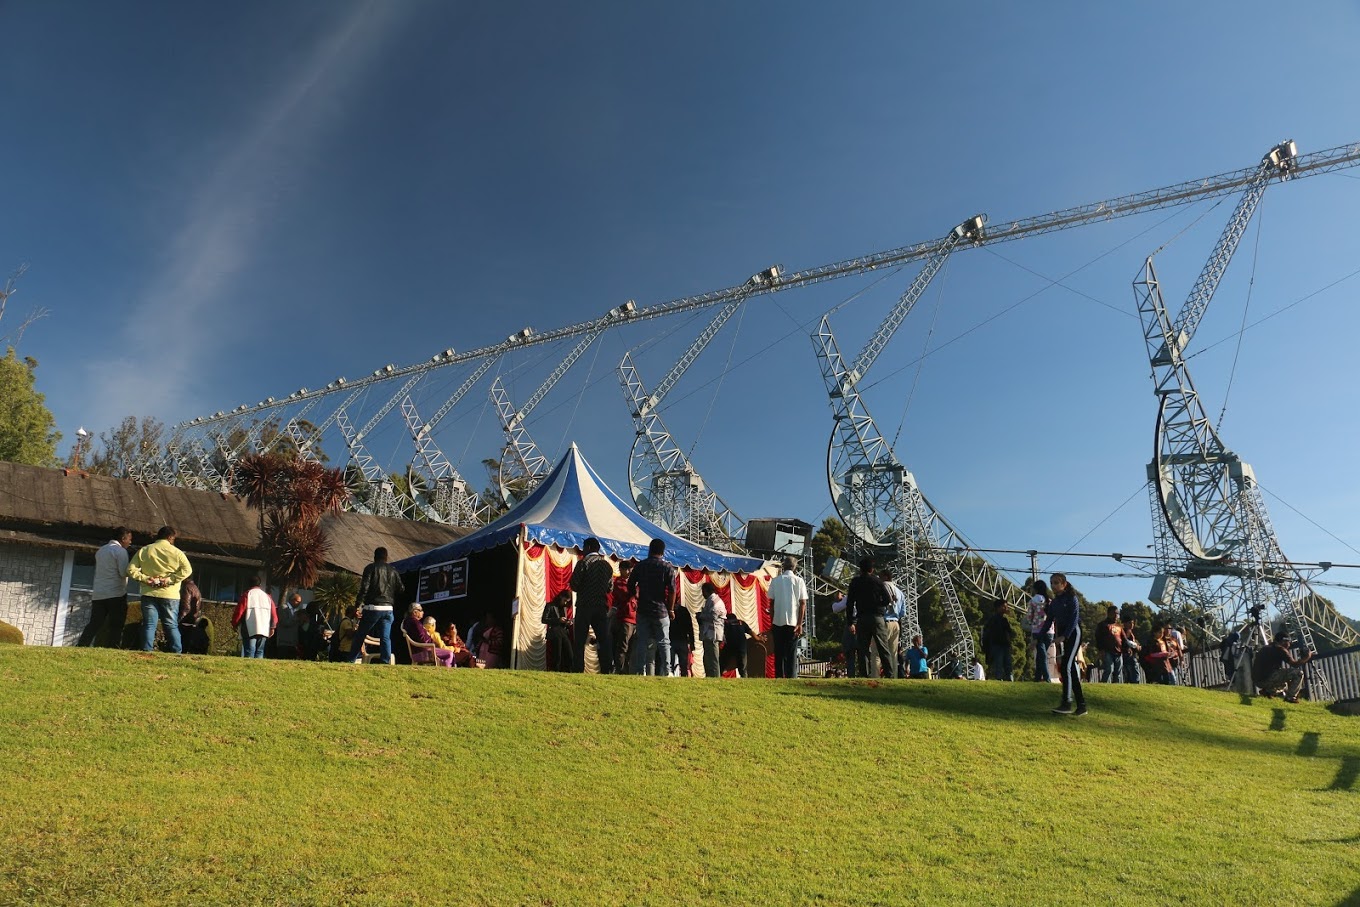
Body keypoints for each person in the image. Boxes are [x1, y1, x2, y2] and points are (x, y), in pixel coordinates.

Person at [127, 525, 193, 654]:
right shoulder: (177, 552)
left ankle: (147, 650)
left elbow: (131, 570)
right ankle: (176, 652)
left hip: (149, 592)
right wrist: (169, 580)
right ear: (170, 537)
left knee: (149, 624)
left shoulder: (144, 550)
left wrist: (146, 579)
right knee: (170, 625)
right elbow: (187, 570)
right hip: (170, 593)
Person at [627, 539, 677, 676]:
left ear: (650, 549)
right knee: (664, 642)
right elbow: (672, 590)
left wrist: (636, 595)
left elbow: (630, 584)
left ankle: (640, 670)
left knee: (642, 641)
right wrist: (671, 609)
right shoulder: (667, 567)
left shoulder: (640, 566)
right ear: (663, 551)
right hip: (660, 610)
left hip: (643, 609)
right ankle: (667, 671)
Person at [1039, 572, 1086, 716]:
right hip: (1063, 636)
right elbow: (1048, 622)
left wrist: (1064, 636)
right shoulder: (1054, 603)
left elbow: (1074, 619)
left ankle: (1067, 702)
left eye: (1056, 582)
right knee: (1070, 669)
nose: (1053, 585)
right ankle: (1082, 706)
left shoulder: (1072, 598)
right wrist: (1038, 638)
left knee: (1066, 665)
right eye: (1051, 583)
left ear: (1064, 584)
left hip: (1073, 633)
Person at [77, 527, 132, 648]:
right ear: (123, 538)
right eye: (129, 539)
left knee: (95, 623)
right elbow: (123, 572)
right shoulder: (120, 551)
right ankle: (113, 647)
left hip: (99, 593)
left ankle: (82, 644)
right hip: (116, 593)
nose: (130, 542)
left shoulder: (101, 551)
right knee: (116, 624)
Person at [350, 547, 404, 665]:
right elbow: (401, 588)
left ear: (374, 557)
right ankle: (385, 661)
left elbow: (364, 588)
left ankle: (351, 660)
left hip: (372, 607)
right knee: (385, 637)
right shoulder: (393, 571)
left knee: (361, 634)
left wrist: (357, 605)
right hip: (388, 608)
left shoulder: (370, 568)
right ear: (386, 557)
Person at [569, 538, 615, 674]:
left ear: (588, 547)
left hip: (585, 605)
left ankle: (578, 668)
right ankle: (607, 668)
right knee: (604, 639)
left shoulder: (583, 563)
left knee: (580, 640)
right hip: (601, 607)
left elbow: (574, 584)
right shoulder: (607, 566)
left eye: (583, 547)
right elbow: (610, 588)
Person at [845, 557, 892, 679]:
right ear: (872, 569)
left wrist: (850, 621)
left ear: (860, 569)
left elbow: (849, 603)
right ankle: (889, 674)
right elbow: (887, 599)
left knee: (863, 648)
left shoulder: (855, 582)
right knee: (883, 647)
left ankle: (864, 674)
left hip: (862, 617)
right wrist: (878, 605)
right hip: (877, 617)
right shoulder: (877, 581)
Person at [767, 555, 808, 679]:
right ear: (795, 567)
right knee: (791, 652)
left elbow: (772, 603)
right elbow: (802, 604)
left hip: (778, 621)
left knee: (779, 653)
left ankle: (779, 677)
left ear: (783, 566)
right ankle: (791, 677)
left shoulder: (775, 581)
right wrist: (800, 624)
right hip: (793, 622)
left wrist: (772, 621)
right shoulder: (799, 581)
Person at [1253, 633, 1313, 702]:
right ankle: (1290, 697)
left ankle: (1268, 692)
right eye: (1288, 642)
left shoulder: (1265, 648)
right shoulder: (1280, 649)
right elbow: (1295, 664)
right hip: (1267, 679)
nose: (1289, 645)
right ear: (1284, 641)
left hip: (1257, 681)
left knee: (1283, 683)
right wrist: (1307, 657)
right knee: (1298, 673)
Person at [232, 576, 277, 658]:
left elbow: (239, 611)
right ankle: (258, 669)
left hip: (249, 628)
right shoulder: (267, 596)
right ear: (260, 584)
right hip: (264, 628)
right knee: (260, 651)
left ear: (248, 584)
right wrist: (272, 627)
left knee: (250, 650)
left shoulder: (247, 595)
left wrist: (235, 623)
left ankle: (249, 668)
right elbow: (273, 613)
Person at [608, 562, 637, 675]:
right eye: (628, 569)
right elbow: (628, 594)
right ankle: (619, 669)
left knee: (630, 648)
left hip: (634, 619)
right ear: (621, 570)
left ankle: (627, 669)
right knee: (622, 647)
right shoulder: (619, 583)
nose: (630, 572)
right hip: (625, 619)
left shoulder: (631, 583)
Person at [981, 599, 1016, 682]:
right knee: (999, 664)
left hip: (1005, 645)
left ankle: (1009, 679)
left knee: (1008, 664)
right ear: (998, 607)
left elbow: (1010, 632)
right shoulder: (993, 619)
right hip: (997, 645)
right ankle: (1000, 679)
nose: (1006, 608)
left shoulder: (1004, 620)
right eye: (1004, 606)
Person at [879, 567, 904, 679]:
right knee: (893, 653)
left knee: (877, 653)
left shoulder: (881, 589)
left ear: (885, 577)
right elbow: (902, 612)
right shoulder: (900, 593)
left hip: (883, 622)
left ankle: (875, 676)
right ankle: (893, 677)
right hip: (896, 623)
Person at [697, 581, 725, 678]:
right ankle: (709, 676)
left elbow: (714, 615)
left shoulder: (714, 601)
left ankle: (716, 678)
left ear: (706, 591)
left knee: (713, 658)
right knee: (708, 658)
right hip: (708, 633)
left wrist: (701, 616)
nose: (702, 594)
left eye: (703, 591)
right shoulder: (711, 600)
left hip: (713, 633)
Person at [1027, 579, 1053, 683]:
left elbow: (1029, 617)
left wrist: (1033, 622)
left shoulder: (1032, 601)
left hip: (1037, 630)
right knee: (1041, 654)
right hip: (1050, 631)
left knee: (1042, 656)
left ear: (1035, 589)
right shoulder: (1050, 601)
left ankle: (1047, 678)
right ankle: (1037, 678)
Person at [542, 591, 575, 672]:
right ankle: (555, 672)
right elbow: (543, 620)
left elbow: (563, 622)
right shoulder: (550, 605)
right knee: (557, 655)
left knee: (569, 654)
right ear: (560, 597)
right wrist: (558, 620)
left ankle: (568, 672)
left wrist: (567, 622)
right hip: (554, 632)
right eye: (564, 600)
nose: (565, 602)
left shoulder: (564, 608)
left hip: (563, 632)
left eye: (567, 601)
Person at [178, 577, 211, 655]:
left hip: (185, 620)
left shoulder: (186, 587)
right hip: (191, 620)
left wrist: (179, 620)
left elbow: (186, 607)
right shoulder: (194, 587)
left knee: (183, 643)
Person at [722, 610, 758, 677]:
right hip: (742, 646)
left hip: (730, 645)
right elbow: (751, 633)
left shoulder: (726, 623)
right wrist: (759, 639)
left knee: (722, 662)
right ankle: (744, 679)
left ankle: (717, 675)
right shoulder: (741, 622)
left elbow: (721, 636)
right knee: (742, 667)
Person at [1095, 605, 1124, 683]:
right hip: (1107, 651)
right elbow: (1098, 638)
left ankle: (1116, 688)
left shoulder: (1119, 626)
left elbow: (1124, 639)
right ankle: (1103, 686)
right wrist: (1101, 650)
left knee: (1118, 672)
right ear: (1108, 613)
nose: (1116, 616)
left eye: (1117, 614)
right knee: (1109, 669)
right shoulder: (1102, 625)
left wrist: (1128, 648)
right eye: (1114, 613)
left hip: (1118, 652)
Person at [832, 594, 857, 678]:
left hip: (852, 622)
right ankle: (864, 674)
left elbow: (835, 608)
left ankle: (851, 674)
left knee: (849, 650)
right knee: (863, 651)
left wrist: (838, 599)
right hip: (864, 622)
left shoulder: (849, 597)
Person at [273, 593, 304, 659]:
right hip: (284, 641)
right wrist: (297, 618)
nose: (299, 604)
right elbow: (285, 622)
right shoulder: (283, 608)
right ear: (292, 600)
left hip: (292, 642)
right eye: (298, 601)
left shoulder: (294, 610)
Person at [669, 603, 695, 676]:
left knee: (670, 665)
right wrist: (692, 642)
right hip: (682, 640)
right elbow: (690, 627)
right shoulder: (684, 610)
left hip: (671, 639)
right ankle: (684, 677)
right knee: (684, 665)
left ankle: (671, 679)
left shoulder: (668, 610)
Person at [1121, 617, 1143, 683]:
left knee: (1129, 674)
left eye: (1133, 623)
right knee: (1133, 674)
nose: (1132, 624)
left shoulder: (1130, 632)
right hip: (1128, 655)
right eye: (1130, 623)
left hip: (1129, 655)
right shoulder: (1125, 632)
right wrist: (1137, 646)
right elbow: (1128, 643)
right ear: (1125, 624)